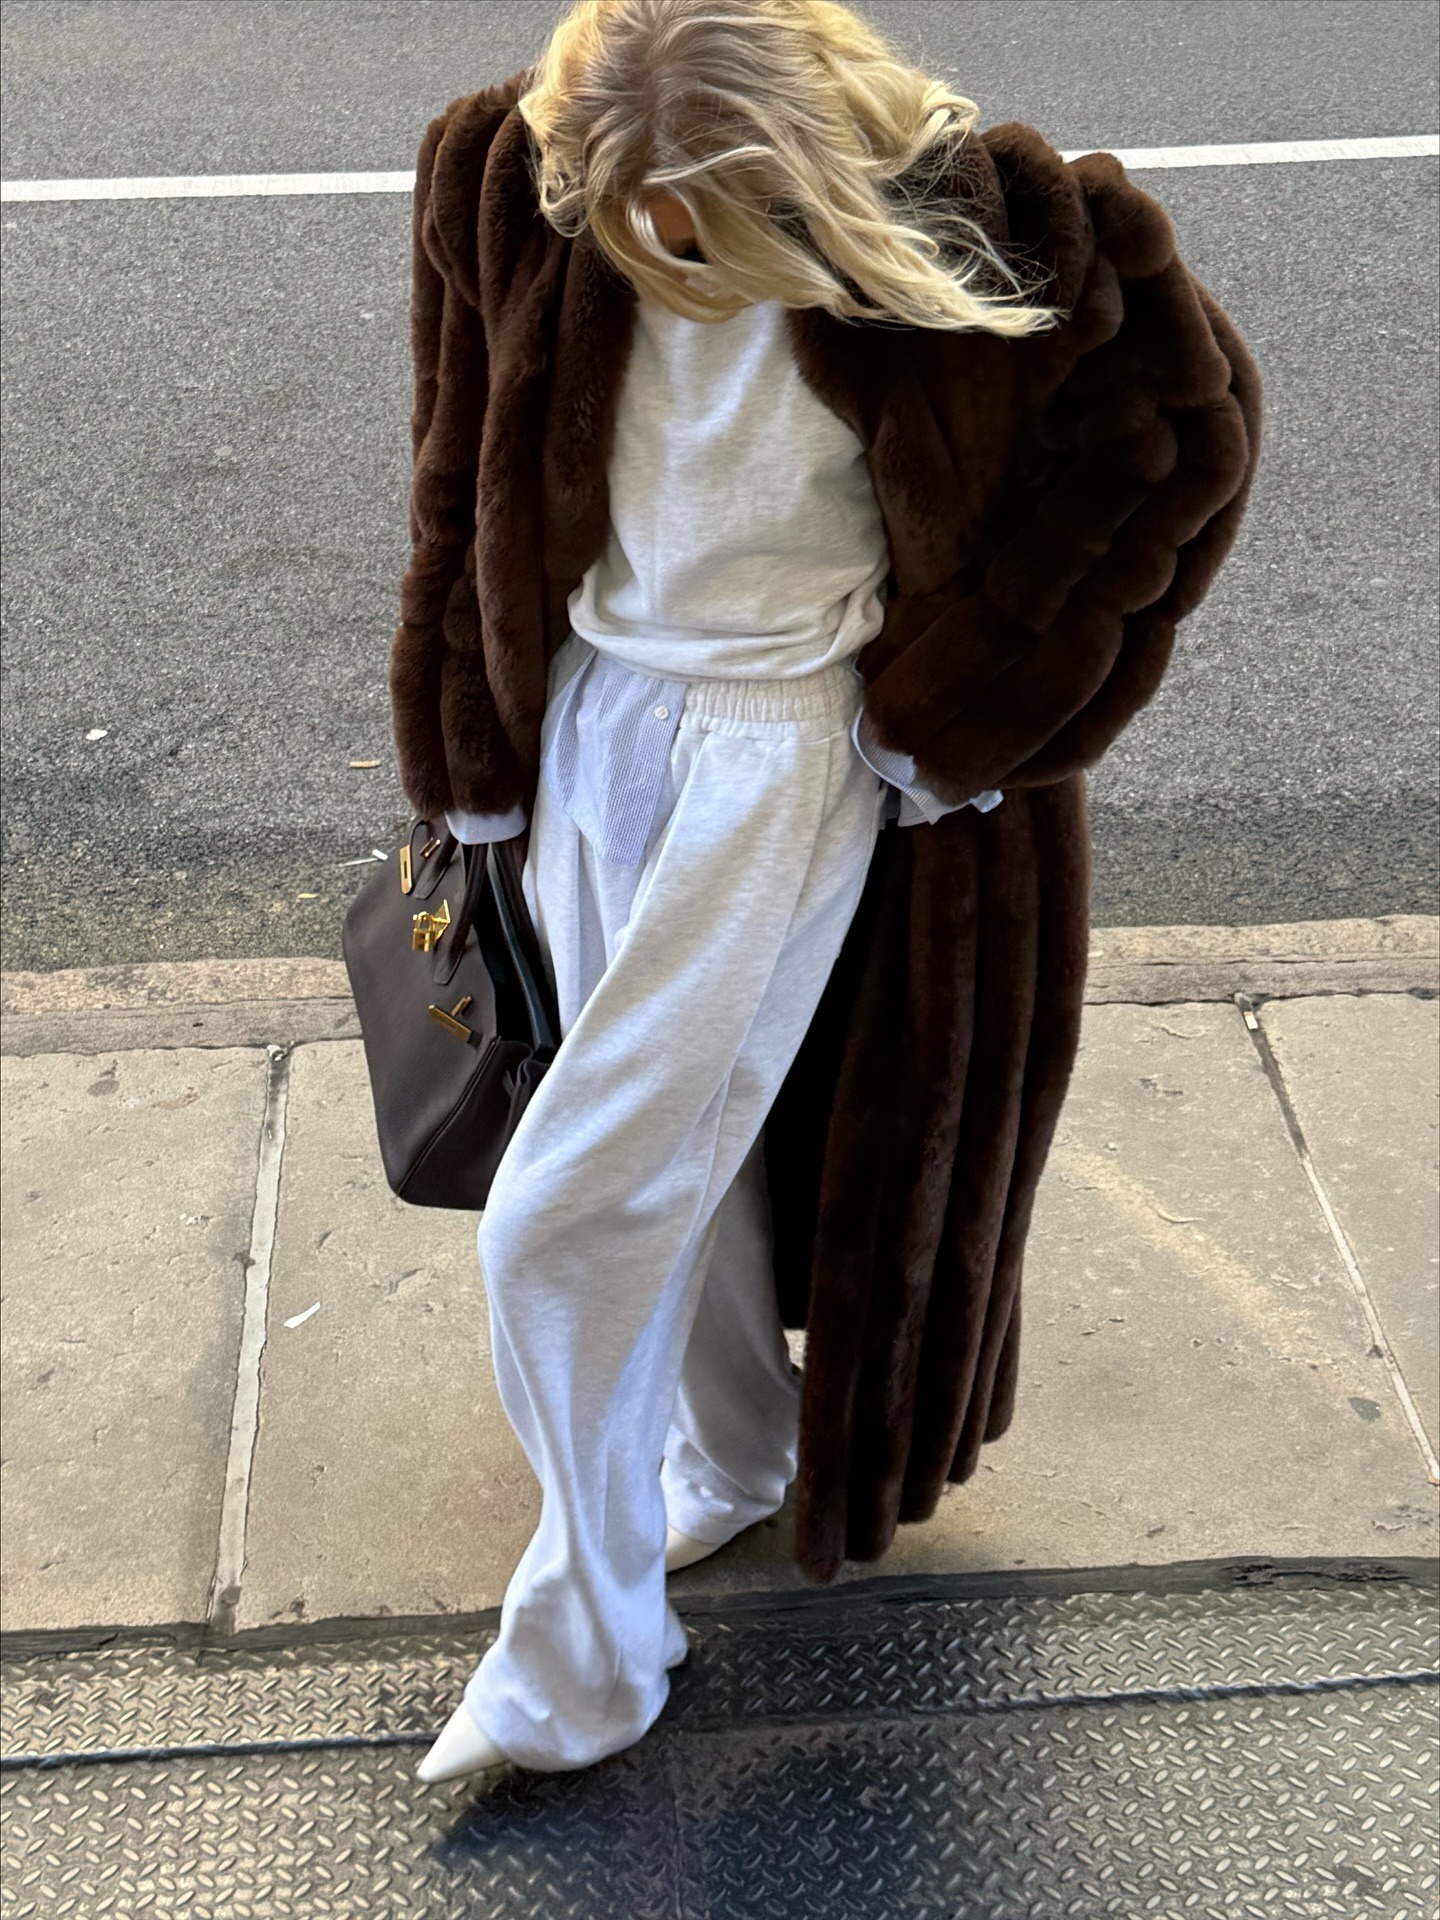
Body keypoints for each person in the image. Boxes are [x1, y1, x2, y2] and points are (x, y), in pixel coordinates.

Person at [397, 0, 1259, 1785]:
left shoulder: (1001, 226)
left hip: (787, 752)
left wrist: (948, 728)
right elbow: (454, 477)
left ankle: (583, 1660)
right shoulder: (507, 175)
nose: (670, 253)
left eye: (716, 219)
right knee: (676, 1179)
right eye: (633, 216)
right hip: (589, 729)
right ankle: (730, 1451)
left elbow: (1181, 448)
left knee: (564, 1213)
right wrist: (470, 756)